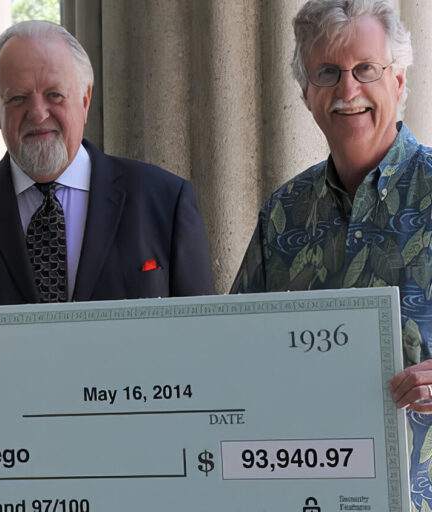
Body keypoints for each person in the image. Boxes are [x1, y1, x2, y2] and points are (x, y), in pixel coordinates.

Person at [230, 0, 432, 507]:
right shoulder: (282, 215)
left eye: (366, 69)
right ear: (306, 95)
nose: (347, 90)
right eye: (327, 73)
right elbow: (235, 350)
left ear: (400, 81)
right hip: (312, 494)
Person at [0, 20, 215, 331]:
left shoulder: (165, 202)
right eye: (18, 99)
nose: (37, 113)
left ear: (85, 99)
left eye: (54, 95)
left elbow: (203, 338)